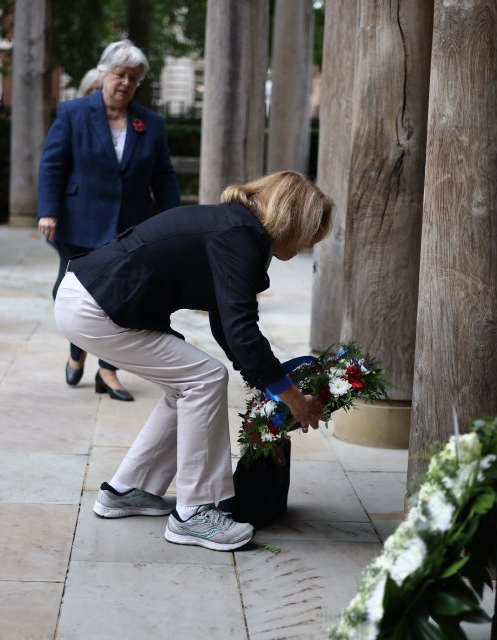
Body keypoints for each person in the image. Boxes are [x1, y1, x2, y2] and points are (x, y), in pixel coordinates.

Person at [53, 171, 333, 551]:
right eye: (310, 236)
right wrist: (293, 400)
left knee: (186, 384)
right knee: (205, 378)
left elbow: (225, 322)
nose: (308, 246)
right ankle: (194, 513)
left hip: (88, 298)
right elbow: (241, 330)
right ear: (294, 220)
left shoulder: (236, 228)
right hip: (95, 306)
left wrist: (264, 382)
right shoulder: (240, 236)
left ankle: (130, 490)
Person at [38, 40, 180, 401]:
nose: (125, 83)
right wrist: (48, 210)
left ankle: (108, 370)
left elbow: (163, 177)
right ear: (103, 74)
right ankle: (76, 350)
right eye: (120, 74)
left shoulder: (150, 123)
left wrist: (173, 223)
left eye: (133, 78)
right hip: (78, 218)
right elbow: (52, 165)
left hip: (128, 226)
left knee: (119, 300)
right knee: (67, 293)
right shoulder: (73, 112)